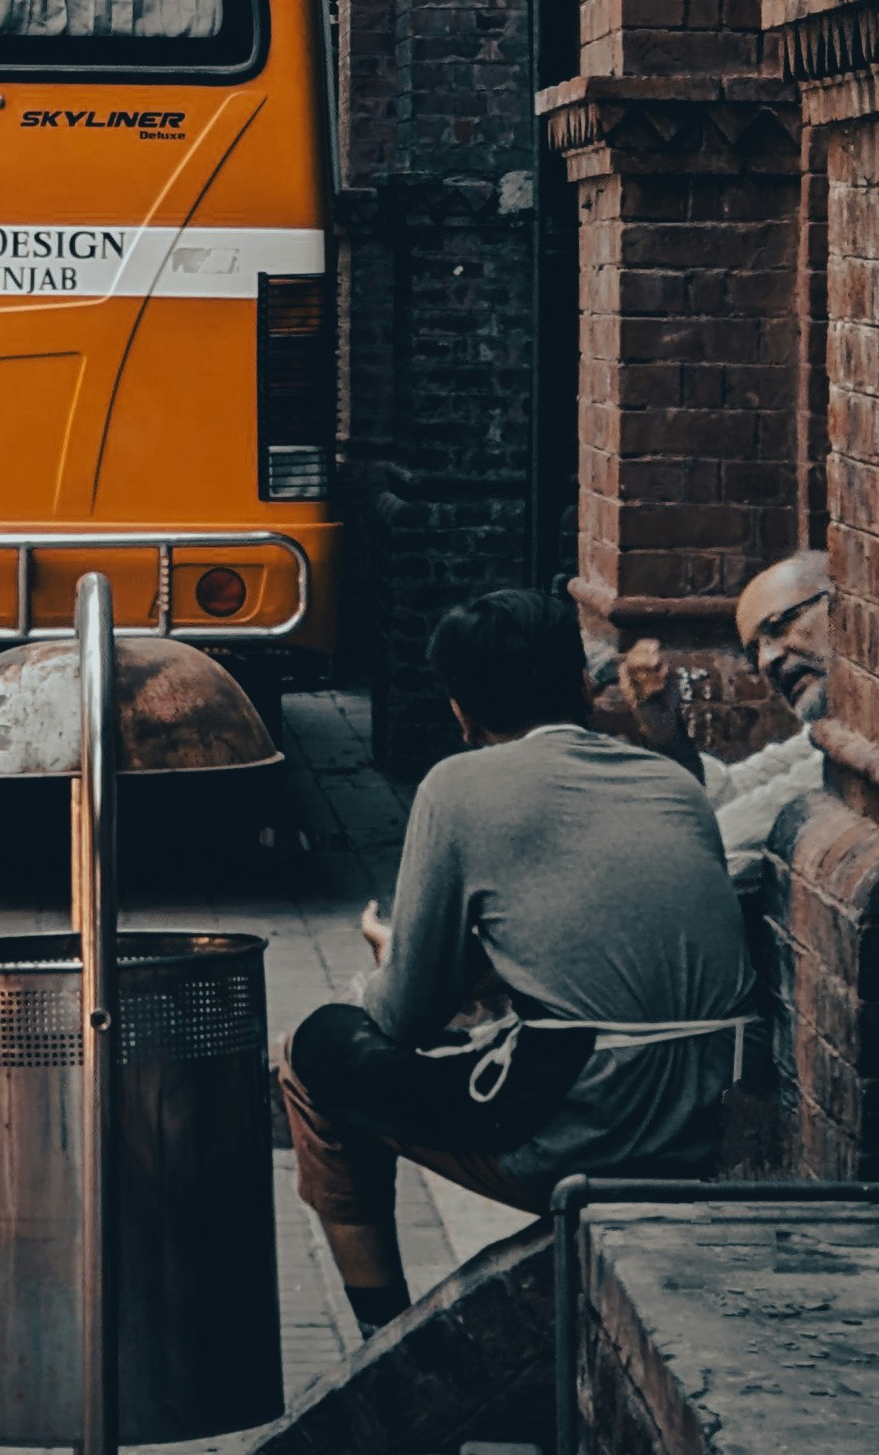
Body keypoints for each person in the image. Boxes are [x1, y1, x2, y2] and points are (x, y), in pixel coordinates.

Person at [277, 587, 755, 1330]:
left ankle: (381, 1338)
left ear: (460, 709)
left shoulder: (459, 785)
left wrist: (391, 961)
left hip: (589, 1126)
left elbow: (402, 1016)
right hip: (707, 1113)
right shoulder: (671, 780)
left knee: (312, 1054)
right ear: (579, 686)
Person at [618, 548, 830, 860]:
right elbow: (732, 790)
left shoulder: (871, 740)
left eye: (777, 627)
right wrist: (668, 735)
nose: (766, 661)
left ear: (846, 605)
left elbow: (716, 844)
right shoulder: (819, 737)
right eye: (754, 650)